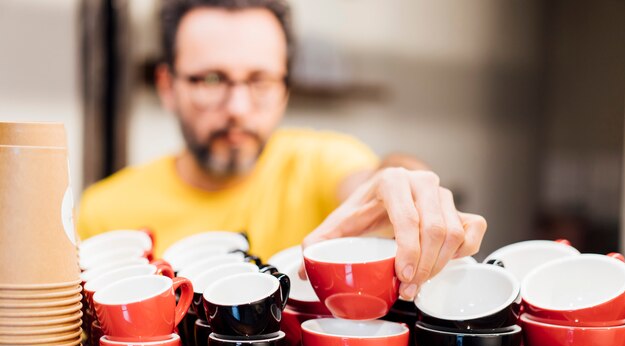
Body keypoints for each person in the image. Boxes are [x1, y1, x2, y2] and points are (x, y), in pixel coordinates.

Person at [77, 0, 487, 300]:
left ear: (285, 89)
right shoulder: (105, 212)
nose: (237, 109)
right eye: (212, 80)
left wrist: (406, 185)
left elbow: (372, 183)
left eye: (260, 81)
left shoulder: (319, 162)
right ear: (167, 86)